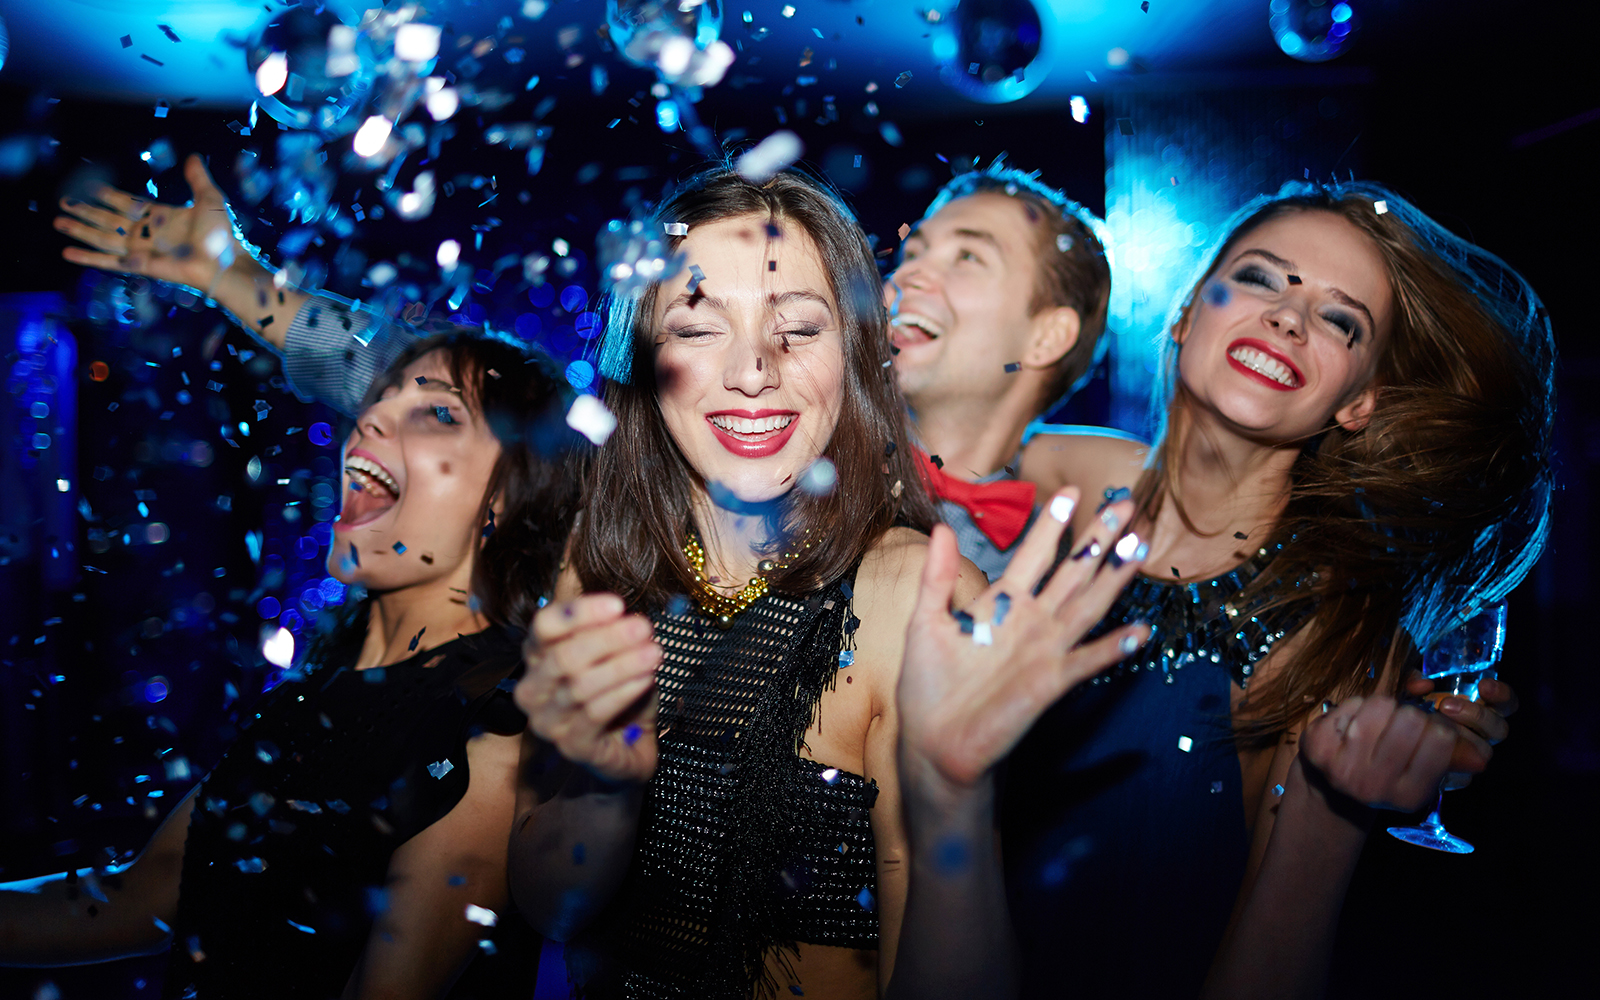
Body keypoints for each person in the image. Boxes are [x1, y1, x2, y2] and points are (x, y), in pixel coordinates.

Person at [503, 165, 1154, 999]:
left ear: (853, 354)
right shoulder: (597, 567)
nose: (752, 371)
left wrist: (953, 797)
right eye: (698, 329)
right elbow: (548, 905)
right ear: (642, 353)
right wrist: (604, 786)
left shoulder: (911, 593)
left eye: (799, 329)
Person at [891, 180, 1552, 998]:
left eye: (1340, 321)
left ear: (1359, 401)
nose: (1289, 317)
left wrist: (1342, 806)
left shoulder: (1337, 637)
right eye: (1263, 278)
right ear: (1186, 312)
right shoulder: (1064, 474)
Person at [9, 176, 585, 998]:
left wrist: (243, 283)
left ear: (510, 500)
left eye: (439, 413)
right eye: (377, 403)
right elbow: (142, 896)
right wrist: (227, 275)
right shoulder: (316, 689)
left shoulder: (494, 730)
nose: (372, 417)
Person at [885, 159, 1122, 579]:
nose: (906, 273)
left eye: (968, 256)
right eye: (913, 253)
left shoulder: (1069, 573)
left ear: (1046, 336)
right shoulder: (801, 471)